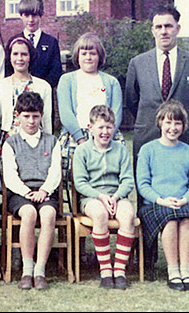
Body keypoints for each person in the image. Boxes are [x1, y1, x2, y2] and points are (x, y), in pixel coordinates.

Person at [125, 5, 189, 273]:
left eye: (168, 26)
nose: (164, 31)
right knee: (146, 193)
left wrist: (179, 123)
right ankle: (145, 256)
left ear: (177, 29)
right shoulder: (138, 63)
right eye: (159, 26)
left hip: (184, 136)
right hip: (148, 135)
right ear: (152, 30)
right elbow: (132, 99)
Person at [136, 100, 189, 292]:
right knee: (171, 220)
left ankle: (185, 271)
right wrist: (161, 200)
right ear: (160, 123)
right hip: (156, 204)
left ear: (183, 126)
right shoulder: (147, 150)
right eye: (168, 122)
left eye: (177, 123)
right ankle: (173, 271)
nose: (172, 128)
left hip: (182, 202)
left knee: (186, 220)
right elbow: (143, 184)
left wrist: (184, 200)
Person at [1, 91, 61, 290]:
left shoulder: (52, 142)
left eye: (35, 116)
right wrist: (27, 192)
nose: (31, 121)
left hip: (45, 191)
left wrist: (44, 190)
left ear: (41, 115)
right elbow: (10, 175)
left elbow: (55, 172)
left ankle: (40, 270)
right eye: (26, 116)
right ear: (17, 116)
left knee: (48, 213)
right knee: (29, 213)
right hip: (21, 193)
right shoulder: (11, 143)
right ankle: (27, 269)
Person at [72, 105, 135, 290]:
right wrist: (100, 197)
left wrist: (115, 197)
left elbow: (127, 180)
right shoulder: (82, 151)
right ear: (90, 127)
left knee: (128, 214)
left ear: (114, 127)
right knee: (99, 214)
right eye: (100, 127)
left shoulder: (120, 150)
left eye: (109, 127)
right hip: (92, 197)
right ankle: (106, 270)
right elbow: (80, 183)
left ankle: (120, 270)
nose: (105, 132)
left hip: (116, 195)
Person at [57, 33, 124, 184]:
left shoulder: (111, 82)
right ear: (77, 56)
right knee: (77, 177)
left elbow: (116, 113)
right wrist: (81, 140)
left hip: (106, 136)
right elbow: (66, 112)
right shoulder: (67, 80)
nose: (88, 57)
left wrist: (105, 138)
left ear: (99, 56)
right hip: (76, 137)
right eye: (84, 53)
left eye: (92, 53)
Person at [0, 36, 52, 143]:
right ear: (10, 56)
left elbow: (46, 120)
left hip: (36, 140)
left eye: (24, 54)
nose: (19, 58)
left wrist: (48, 144)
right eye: (15, 54)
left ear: (30, 57)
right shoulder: (0, 86)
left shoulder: (43, 86)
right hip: (9, 140)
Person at [5, 0, 62, 88]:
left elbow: (56, 71)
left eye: (34, 15)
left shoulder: (51, 42)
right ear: (20, 15)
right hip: (18, 92)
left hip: (43, 93)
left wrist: (39, 87)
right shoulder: (13, 41)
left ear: (41, 15)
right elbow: (8, 69)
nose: (31, 20)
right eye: (27, 15)